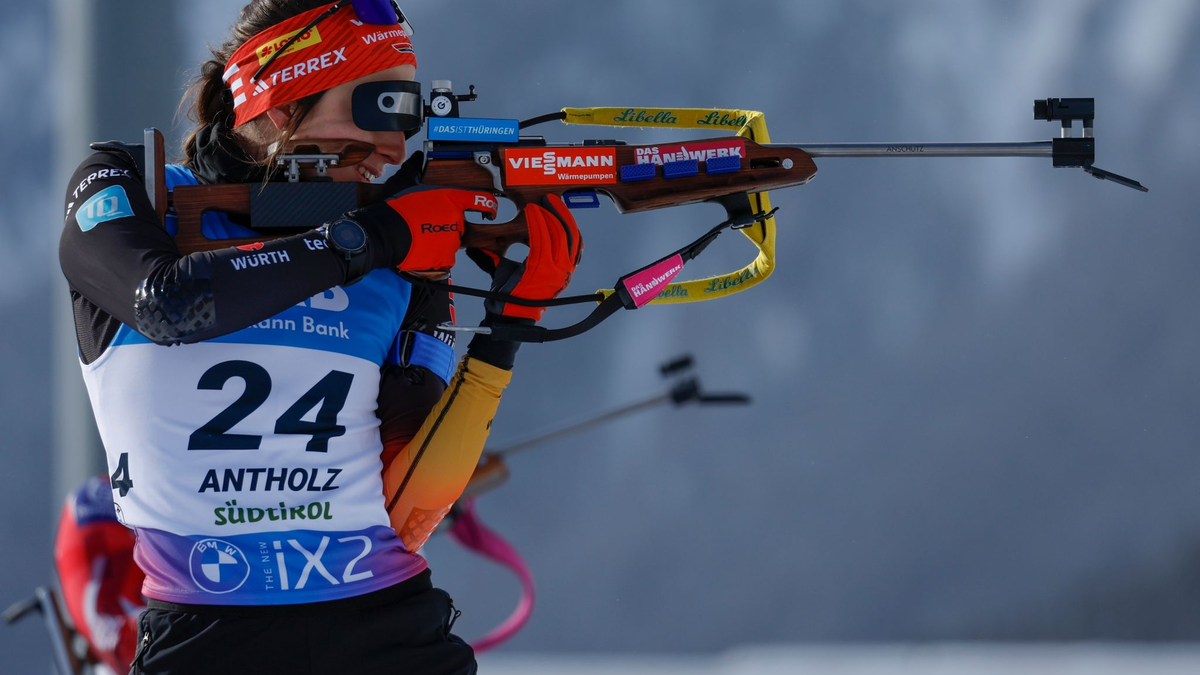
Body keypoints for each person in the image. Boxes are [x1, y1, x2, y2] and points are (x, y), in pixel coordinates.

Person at [57, 1, 582, 673]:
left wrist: (509, 328)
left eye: (409, 113)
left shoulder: (402, 246)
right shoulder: (137, 190)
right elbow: (172, 301)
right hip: (203, 638)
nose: (396, 145)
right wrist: (373, 239)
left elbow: (411, 507)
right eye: (377, 105)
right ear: (280, 102)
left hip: (391, 631)